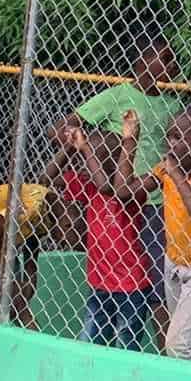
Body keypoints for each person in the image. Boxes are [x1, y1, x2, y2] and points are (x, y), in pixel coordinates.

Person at [57, 35, 181, 304]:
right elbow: (68, 124)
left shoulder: (174, 105)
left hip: (158, 199)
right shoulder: (117, 96)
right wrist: (77, 140)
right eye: (167, 59)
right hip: (122, 201)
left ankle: (162, 344)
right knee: (124, 274)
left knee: (158, 279)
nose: (174, 66)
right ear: (144, 62)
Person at [112, 106, 191, 362]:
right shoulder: (165, 169)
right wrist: (130, 141)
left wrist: (175, 173)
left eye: (179, 138)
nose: (171, 143)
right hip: (174, 263)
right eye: (169, 136)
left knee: (178, 346)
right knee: (179, 343)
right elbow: (123, 191)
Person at [60, 125, 152, 351]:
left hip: (131, 286)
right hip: (99, 284)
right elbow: (48, 176)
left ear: (117, 159)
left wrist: (86, 149)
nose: (90, 165)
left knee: (126, 347)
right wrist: (71, 147)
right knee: (90, 344)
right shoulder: (89, 188)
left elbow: (108, 187)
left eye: (98, 157)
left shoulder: (133, 190)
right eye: (89, 157)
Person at [0, 145, 71, 329]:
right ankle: (40, 347)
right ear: (66, 225)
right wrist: (10, 280)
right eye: (66, 240)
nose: (62, 244)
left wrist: (28, 284)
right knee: (17, 304)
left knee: (15, 303)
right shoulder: (31, 209)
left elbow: (32, 256)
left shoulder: (49, 212)